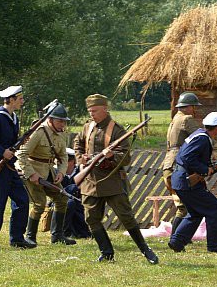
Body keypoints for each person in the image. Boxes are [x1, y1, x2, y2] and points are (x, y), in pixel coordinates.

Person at [73, 94, 158, 264]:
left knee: (126, 217)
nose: (92, 114)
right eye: (90, 111)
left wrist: (112, 156)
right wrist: (80, 157)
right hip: (90, 181)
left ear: (105, 109)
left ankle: (146, 250)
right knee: (91, 218)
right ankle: (106, 252)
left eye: (95, 110)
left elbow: (125, 158)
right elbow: (78, 143)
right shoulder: (87, 127)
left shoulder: (118, 130)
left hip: (111, 181)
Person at [0, 85, 34, 249]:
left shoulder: (12, 117)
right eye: (20, 98)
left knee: (22, 200)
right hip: (1, 167)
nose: (22, 101)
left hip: (10, 167)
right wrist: (2, 151)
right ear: (11, 99)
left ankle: (17, 238)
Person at [168, 112, 217, 252]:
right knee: (214, 207)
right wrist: (204, 169)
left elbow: (198, 162)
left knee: (195, 213)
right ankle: (216, 246)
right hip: (186, 181)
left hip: (181, 180)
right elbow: (186, 158)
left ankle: (177, 241)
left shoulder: (198, 135)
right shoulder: (202, 139)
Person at [16, 104, 72, 246]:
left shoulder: (61, 133)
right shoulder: (38, 132)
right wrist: (31, 174)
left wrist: (61, 172)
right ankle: (30, 237)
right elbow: (21, 154)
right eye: (60, 121)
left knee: (62, 198)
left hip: (49, 171)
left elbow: (63, 156)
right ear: (51, 119)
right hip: (32, 170)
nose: (62, 124)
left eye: (64, 121)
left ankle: (57, 236)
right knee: (39, 203)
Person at [163, 92, 203, 239]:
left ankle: (181, 237)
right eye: (194, 107)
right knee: (184, 206)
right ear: (189, 107)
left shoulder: (175, 120)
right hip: (179, 166)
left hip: (169, 165)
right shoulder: (187, 119)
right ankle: (176, 238)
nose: (195, 110)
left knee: (184, 204)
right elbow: (200, 139)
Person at [60, 148, 91, 239]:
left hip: (79, 201)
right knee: (70, 203)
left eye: (68, 160)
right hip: (60, 201)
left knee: (75, 205)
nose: (64, 163)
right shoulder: (56, 172)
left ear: (73, 161)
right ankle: (65, 232)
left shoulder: (80, 171)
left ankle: (80, 232)